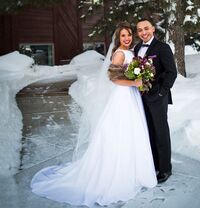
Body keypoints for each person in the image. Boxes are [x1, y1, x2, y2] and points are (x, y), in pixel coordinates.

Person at [31, 22, 157, 207]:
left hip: (131, 97)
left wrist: (139, 79)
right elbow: (114, 78)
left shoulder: (131, 52)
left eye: (129, 34)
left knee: (132, 132)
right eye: (123, 36)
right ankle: (119, 173)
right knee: (121, 132)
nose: (127, 38)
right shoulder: (120, 53)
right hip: (122, 97)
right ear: (117, 38)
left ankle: (134, 171)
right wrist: (135, 83)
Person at [134, 18, 177, 183]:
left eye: (146, 28)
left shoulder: (162, 47)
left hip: (158, 97)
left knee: (161, 132)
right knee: (149, 131)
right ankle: (154, 164)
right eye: (140, 30)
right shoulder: (137, 47)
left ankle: (165, 169)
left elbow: (171, 72)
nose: (143, 32)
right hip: (141, 97)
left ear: (153, 29)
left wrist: (162, 92)